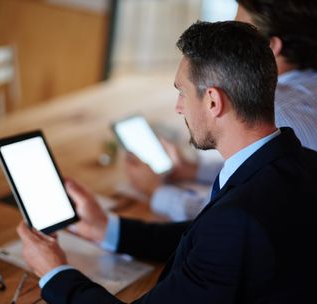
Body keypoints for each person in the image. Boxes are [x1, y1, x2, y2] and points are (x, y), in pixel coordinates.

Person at [17, 21, 317, 304]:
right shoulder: (299, 163)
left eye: (182, 91)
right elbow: (206, 236)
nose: (178, 107)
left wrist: (54, 272)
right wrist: (108, 228)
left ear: (213, 102)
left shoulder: (237, 222)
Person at [125, 0, 317, 221]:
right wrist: (192, 170)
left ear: (270, 48)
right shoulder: (309, 87)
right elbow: (253, 165)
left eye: (241, 30)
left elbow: (222, 216)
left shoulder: (274, 110)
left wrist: (155, 192)